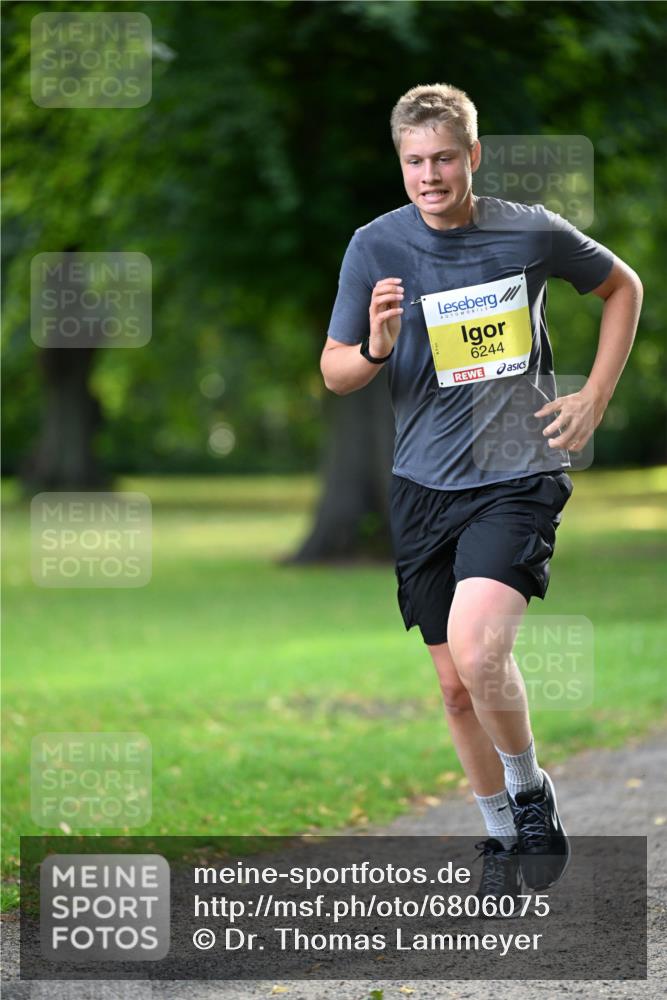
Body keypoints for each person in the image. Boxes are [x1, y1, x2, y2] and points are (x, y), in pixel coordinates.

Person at [319, 83, 643, 905]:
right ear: (401, 162)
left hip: (516, 472)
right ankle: (501, 833)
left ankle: (531, 794)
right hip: (422, 484)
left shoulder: (526, 230)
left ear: (473, 155)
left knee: (479, 646)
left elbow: (621, 289)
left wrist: (593, 395)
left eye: (443, 159)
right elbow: (335, 371)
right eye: (414, 162)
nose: (429, 176)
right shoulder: (374, 246)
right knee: (454, 684)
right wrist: (376, 344)